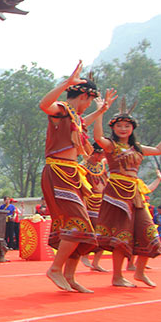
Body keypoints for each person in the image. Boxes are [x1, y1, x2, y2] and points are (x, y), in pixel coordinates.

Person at [38, 61, 110, 293]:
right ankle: (55, 269)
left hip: (73, 174)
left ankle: (70, 275)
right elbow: (43, 104)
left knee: (85, 223)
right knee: (78, 221)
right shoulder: (60, 110)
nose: (89, 105)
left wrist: (100, 112)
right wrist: (65, 84)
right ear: (83, 96)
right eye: (89, 100)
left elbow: (81, 124)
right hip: (58, 172)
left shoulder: (75, 117)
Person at [93, 102, 161, 287]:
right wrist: (100, 112)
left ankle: (139, 272)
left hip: (135, 194)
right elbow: (98, 137)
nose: (123, 129)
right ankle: (117, 276)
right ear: (113, 128)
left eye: (127, 126)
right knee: (121, 236)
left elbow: (158, 149)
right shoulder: (111, 146)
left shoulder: (138, 148)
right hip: (116, 193)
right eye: (119, 126)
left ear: (132, 128)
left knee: (149, 231)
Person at [81, 142, 109, 272]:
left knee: (104, 232)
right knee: (92, 231)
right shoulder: (82, 166)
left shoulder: (102, 165)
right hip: (89, 202)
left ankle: (96, 262)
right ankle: (85, 255)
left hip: (102, 203)